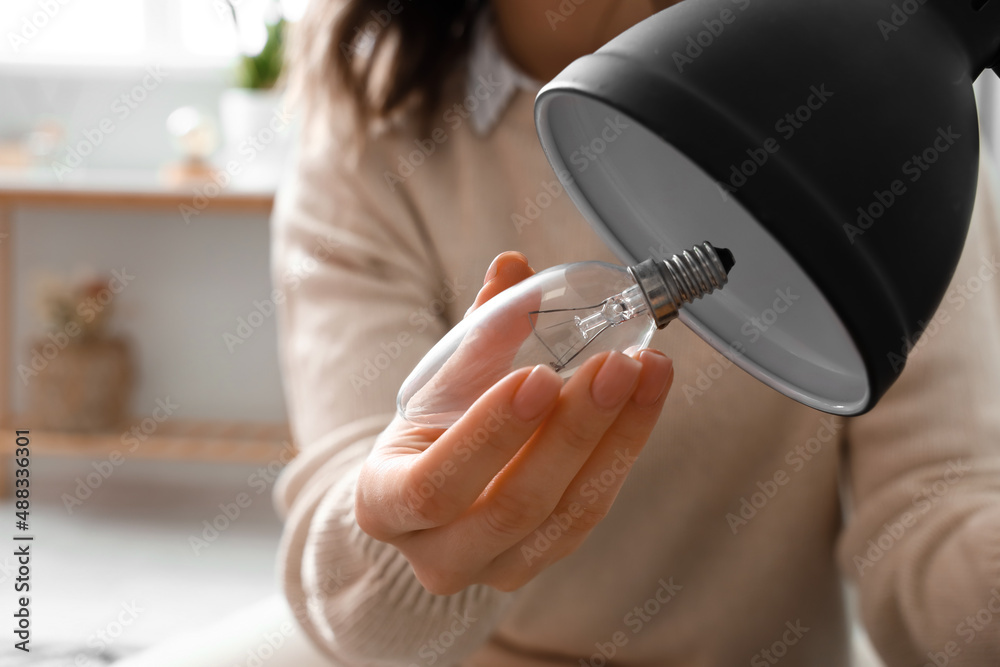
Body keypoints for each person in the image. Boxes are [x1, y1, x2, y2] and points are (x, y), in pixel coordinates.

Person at [270, 1, 1000, 665]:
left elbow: (929, 518)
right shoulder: (373, 130)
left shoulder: (872, 111)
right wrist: (420, 526)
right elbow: (359, 604)